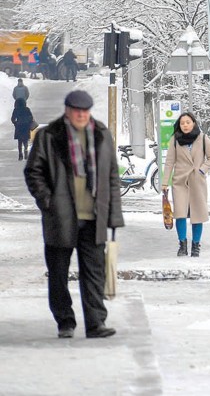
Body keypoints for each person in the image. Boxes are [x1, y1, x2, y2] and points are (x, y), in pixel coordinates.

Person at [24, 89, 124, 339]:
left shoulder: (101, 134)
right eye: (77, 110)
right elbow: (33, 172)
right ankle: (65, 321)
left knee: (94, 272)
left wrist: (113, 215)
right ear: (68, 110)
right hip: (61, 217)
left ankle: (96, 323)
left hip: (93, 217)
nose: (81, 115)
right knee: (58, 273)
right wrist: (48, 201)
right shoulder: (49, 135)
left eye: (85, 111)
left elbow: (112, 176)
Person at [161, 112, 210, 257]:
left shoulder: (203, 138)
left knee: (198, 214)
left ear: (193, 123)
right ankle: (182, 244)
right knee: (180, 214)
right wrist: (165, 182)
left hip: (197, 181)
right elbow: (169, 162)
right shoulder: (175, 140)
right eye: (182, 123)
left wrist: (202, 170)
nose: (185, 125)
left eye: (188, 122)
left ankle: (196, 245)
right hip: (180, 182)